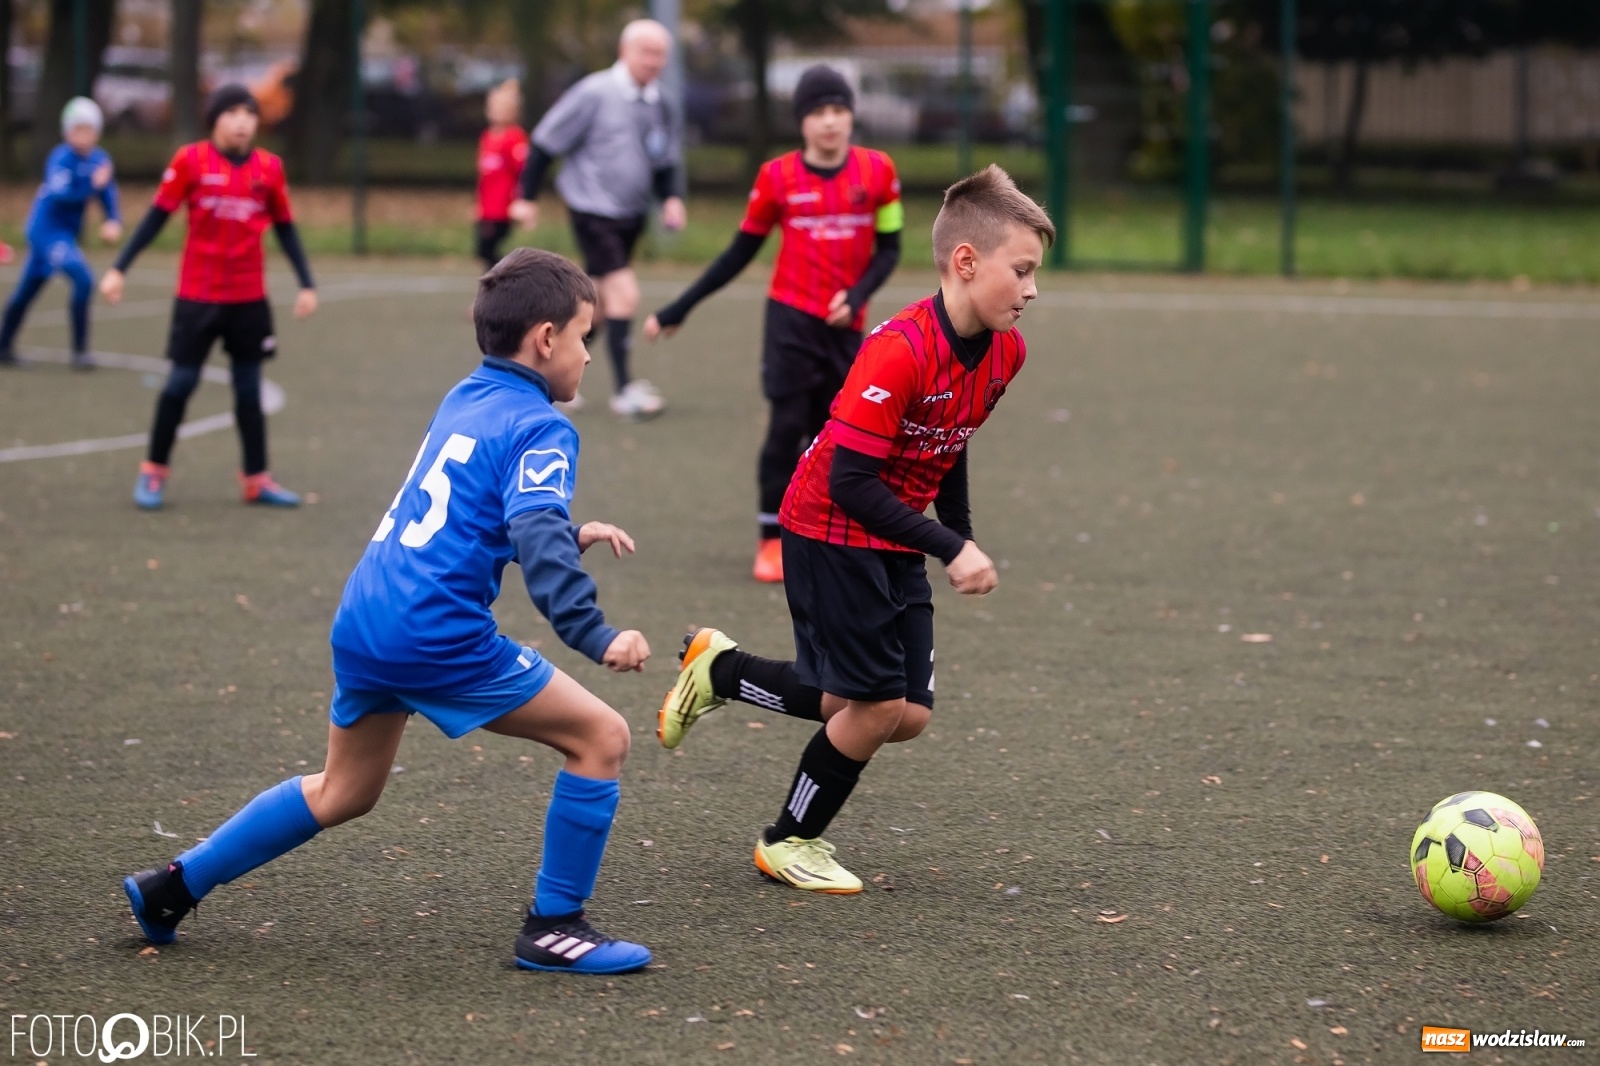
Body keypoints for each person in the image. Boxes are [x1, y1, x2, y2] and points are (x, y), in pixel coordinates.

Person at [123, 248, 656, 975]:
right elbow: (528, 530)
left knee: (344, 790)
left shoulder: (465, 396)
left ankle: (173, 885)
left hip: (368, 615)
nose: (589, 356)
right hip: (434, 631)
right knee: (602, 738)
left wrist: (566, 531)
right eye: (583, 336)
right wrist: (596, 634)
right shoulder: (544, 427)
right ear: (545, 339)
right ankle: (555, 927)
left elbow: (470, 511)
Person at [655, 166, 1055, 894]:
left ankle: (721, 671)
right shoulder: (898, 349)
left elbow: (951, 436)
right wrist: (951, 547)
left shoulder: (1005, 352)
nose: (1031, 290)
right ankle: (789, 840)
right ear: (966, 262)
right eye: (1022, 271)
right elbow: (849, 483)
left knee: (903, 715)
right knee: (872, 707)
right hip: (830, 527)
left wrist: (958, 531)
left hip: (893, 530)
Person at [644, 65, 902, 583]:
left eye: (838, 110)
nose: (830, 122)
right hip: (790, 322)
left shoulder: (878, 172)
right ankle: (770, 540)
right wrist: (680, 307)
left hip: (847, 329)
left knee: (839, 435)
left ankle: (835, 533)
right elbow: (740, 252)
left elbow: (890, 248)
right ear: (802, 121)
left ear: (851, 116)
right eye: (817, 113)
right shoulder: (776, 178)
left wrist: (856, 296)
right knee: (786, 429)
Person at [101, 84, 317, 511]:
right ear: (214, 118)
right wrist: (118, 268)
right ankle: (153, 470)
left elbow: (286, 229)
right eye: (232, 112)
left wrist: (306, 283)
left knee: (248, 390)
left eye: (249, 113)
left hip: (249, 298)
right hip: (198, 297)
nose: (242, 121)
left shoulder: (269, 168)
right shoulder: (190, 161)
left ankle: (256, 479)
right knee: (180, 383)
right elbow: (155, 218)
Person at [509, 18, 683, 420]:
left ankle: (544, 377)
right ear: (625, 52)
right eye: (646, 52)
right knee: (624, 294)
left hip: (631, 215)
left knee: (599, 308)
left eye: (660, 55)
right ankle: (624, 391)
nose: (653, 61)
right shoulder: (595, 93)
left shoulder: (661, 103)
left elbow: (664, 160)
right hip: (592, 209)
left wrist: (671, 198)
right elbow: (545, 142)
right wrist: (527, 197)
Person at [0, 97, 121, 370]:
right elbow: (62, 195)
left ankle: (2, 346)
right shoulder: (60, 158)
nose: (83, 135)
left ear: (97, 131)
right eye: (77, 129)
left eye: (88, 129)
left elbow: (108, 194)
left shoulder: (100, 160)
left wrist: (113, 219)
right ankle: (80, 353)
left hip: (64, 234)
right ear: (67, 131)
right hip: (45, 232)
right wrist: (91, 185)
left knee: (25, 292)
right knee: (83, 279)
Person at [476, 79, 529, 272]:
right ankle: (495, 288)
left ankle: (510, 276)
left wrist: (522, 202)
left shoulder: (515, 138)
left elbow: (523, 172)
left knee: (487, 249)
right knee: (482, 251)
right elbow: (484, 177)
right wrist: (478, 204)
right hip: (486, 208)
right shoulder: (487, 136)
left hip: (502, 209)